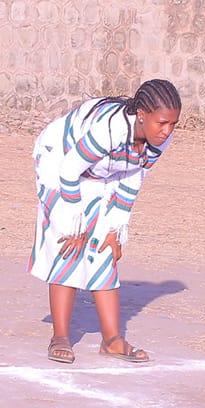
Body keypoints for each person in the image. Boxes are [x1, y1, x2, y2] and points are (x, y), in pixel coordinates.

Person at [30, 79, 181, 365]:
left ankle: (112, 340)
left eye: (173, 124)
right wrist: (75, 221)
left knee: (105, 248)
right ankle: (60, 336)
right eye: (162, 123)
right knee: (70, 243)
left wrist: (116, 227)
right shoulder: (108, 130)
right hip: (59, 161)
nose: (167, 131)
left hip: (104, 170)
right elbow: (70, 170)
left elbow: (134, 176)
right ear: (142, 114)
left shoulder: (160, 137)